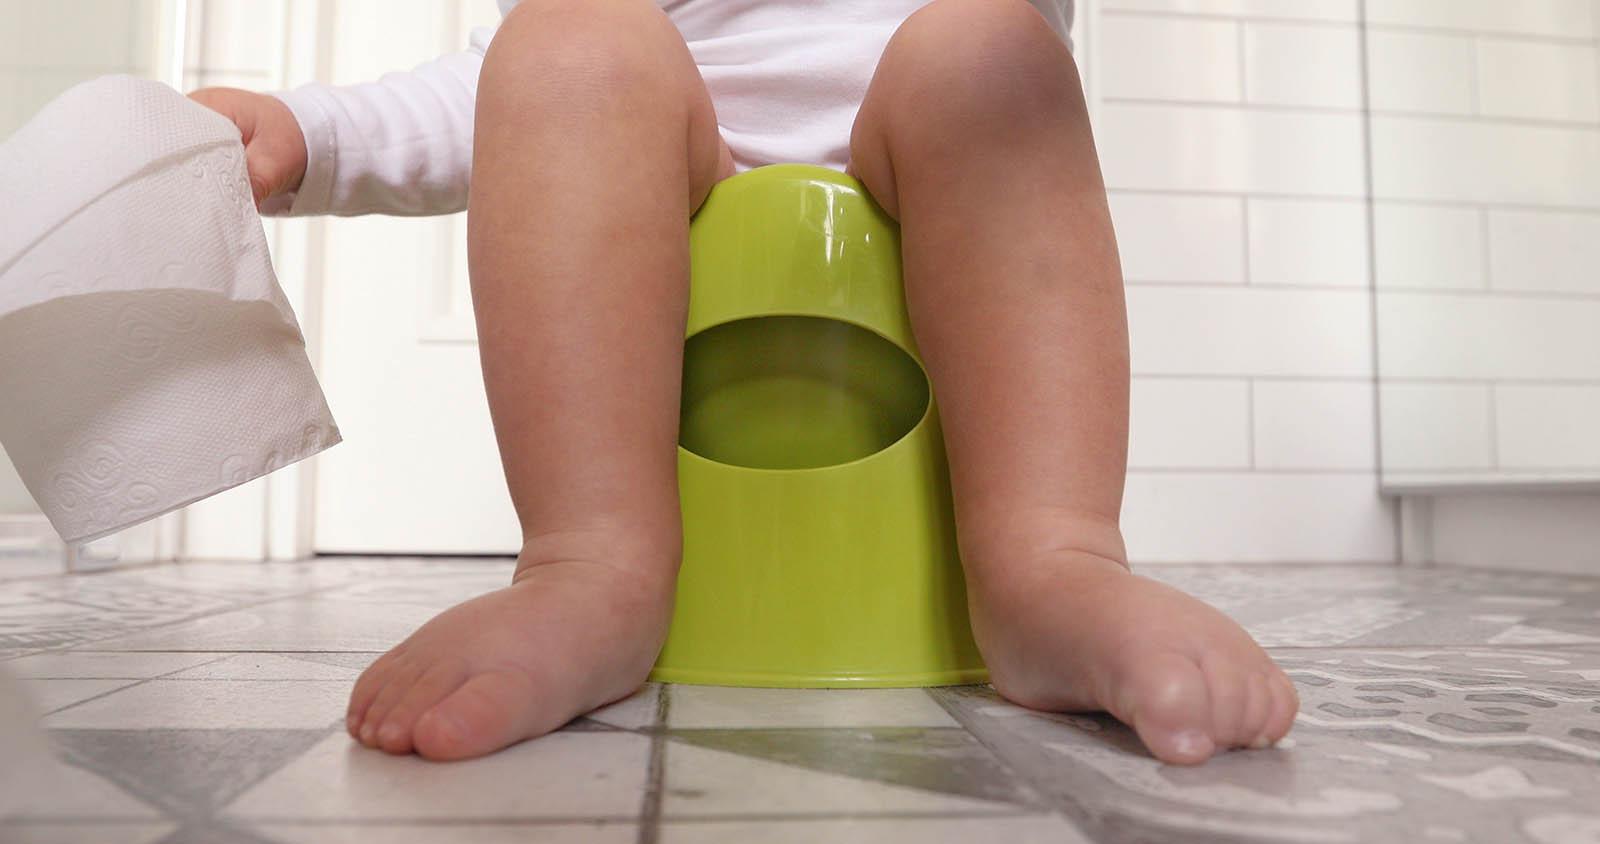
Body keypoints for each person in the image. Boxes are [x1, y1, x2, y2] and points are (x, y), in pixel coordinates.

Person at [189, 0, 1298, 766]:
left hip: (938, 170)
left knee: (991, 49)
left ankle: (1050, 562)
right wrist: (311, 135)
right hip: (670, 175)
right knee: (566, 38)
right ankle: (588, 568)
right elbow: (485, 91)